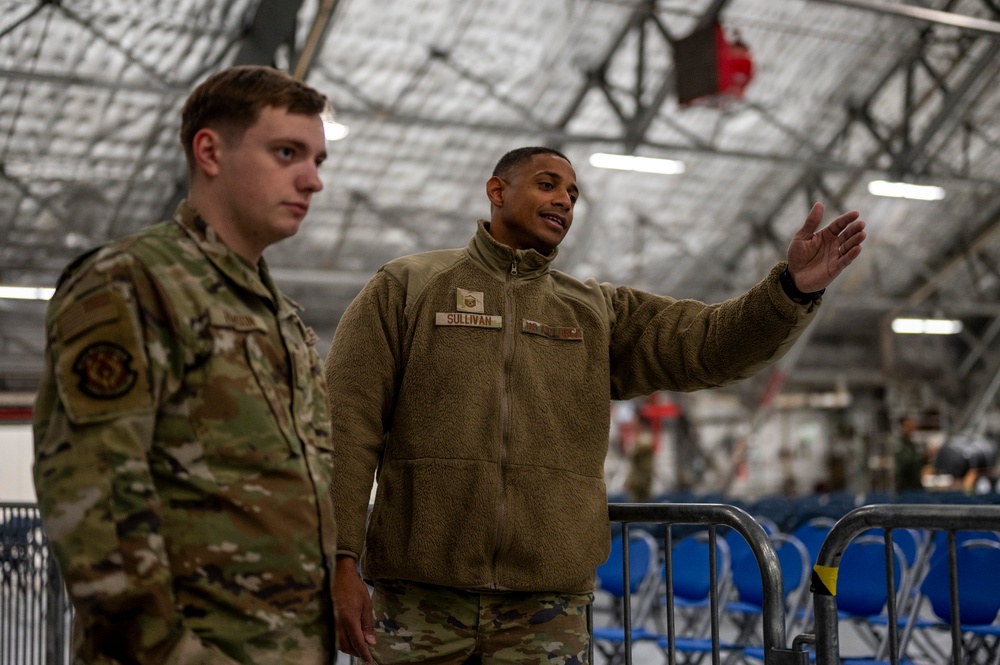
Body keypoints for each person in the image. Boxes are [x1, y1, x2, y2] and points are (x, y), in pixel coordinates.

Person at [324, 146, 866, 664]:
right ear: (496, 190)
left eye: (574, 194)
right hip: (420, 596)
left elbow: (704, 343)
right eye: (547, 184)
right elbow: (346, 427)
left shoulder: (591, 311)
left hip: (547, 605)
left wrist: (791, 290)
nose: (564, 199)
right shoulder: (408, 288)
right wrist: (341, 559)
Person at [32, 65, 338, 665]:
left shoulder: (280, 318)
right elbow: (95, 501)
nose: (312, 181)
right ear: (209, 152)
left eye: (318, 161)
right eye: (287, 153)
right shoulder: (129, 283)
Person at [893, 415, 926, 493]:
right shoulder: (898, 444)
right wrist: (923, 456)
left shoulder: (911, 444)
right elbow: (906, 461)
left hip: (915, 481)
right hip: (905, 481)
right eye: (908, 426)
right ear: (902, 427)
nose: (911, 429)